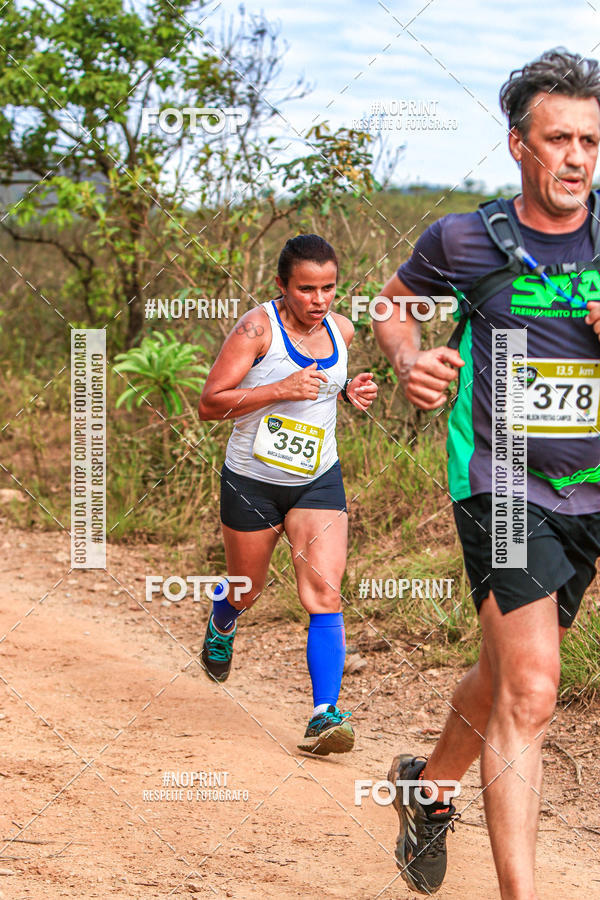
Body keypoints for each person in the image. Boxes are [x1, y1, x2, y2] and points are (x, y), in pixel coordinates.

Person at [373, 49, 600, 898]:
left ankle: (429, 789)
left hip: (590, 488)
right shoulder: (466, 238)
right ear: (519, 145)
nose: (576, 158)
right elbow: (392, 305)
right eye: (558, 139)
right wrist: (410, 362)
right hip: (501, 482)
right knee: (533, 688)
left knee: (508, 674)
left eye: (590, 141)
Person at [197, 234, 377, 755]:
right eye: (306, 289)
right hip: (252, 481)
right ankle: (224, 617)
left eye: (328, 288)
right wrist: (280, 389)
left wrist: (349, 391)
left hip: (317, 479)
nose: (319, 300)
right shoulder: (256, 329)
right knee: (247, 589)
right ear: (281, 285)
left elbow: (323, 387)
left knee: (324, 593)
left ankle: (324, 716)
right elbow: (210, 404)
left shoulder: (341, 329)